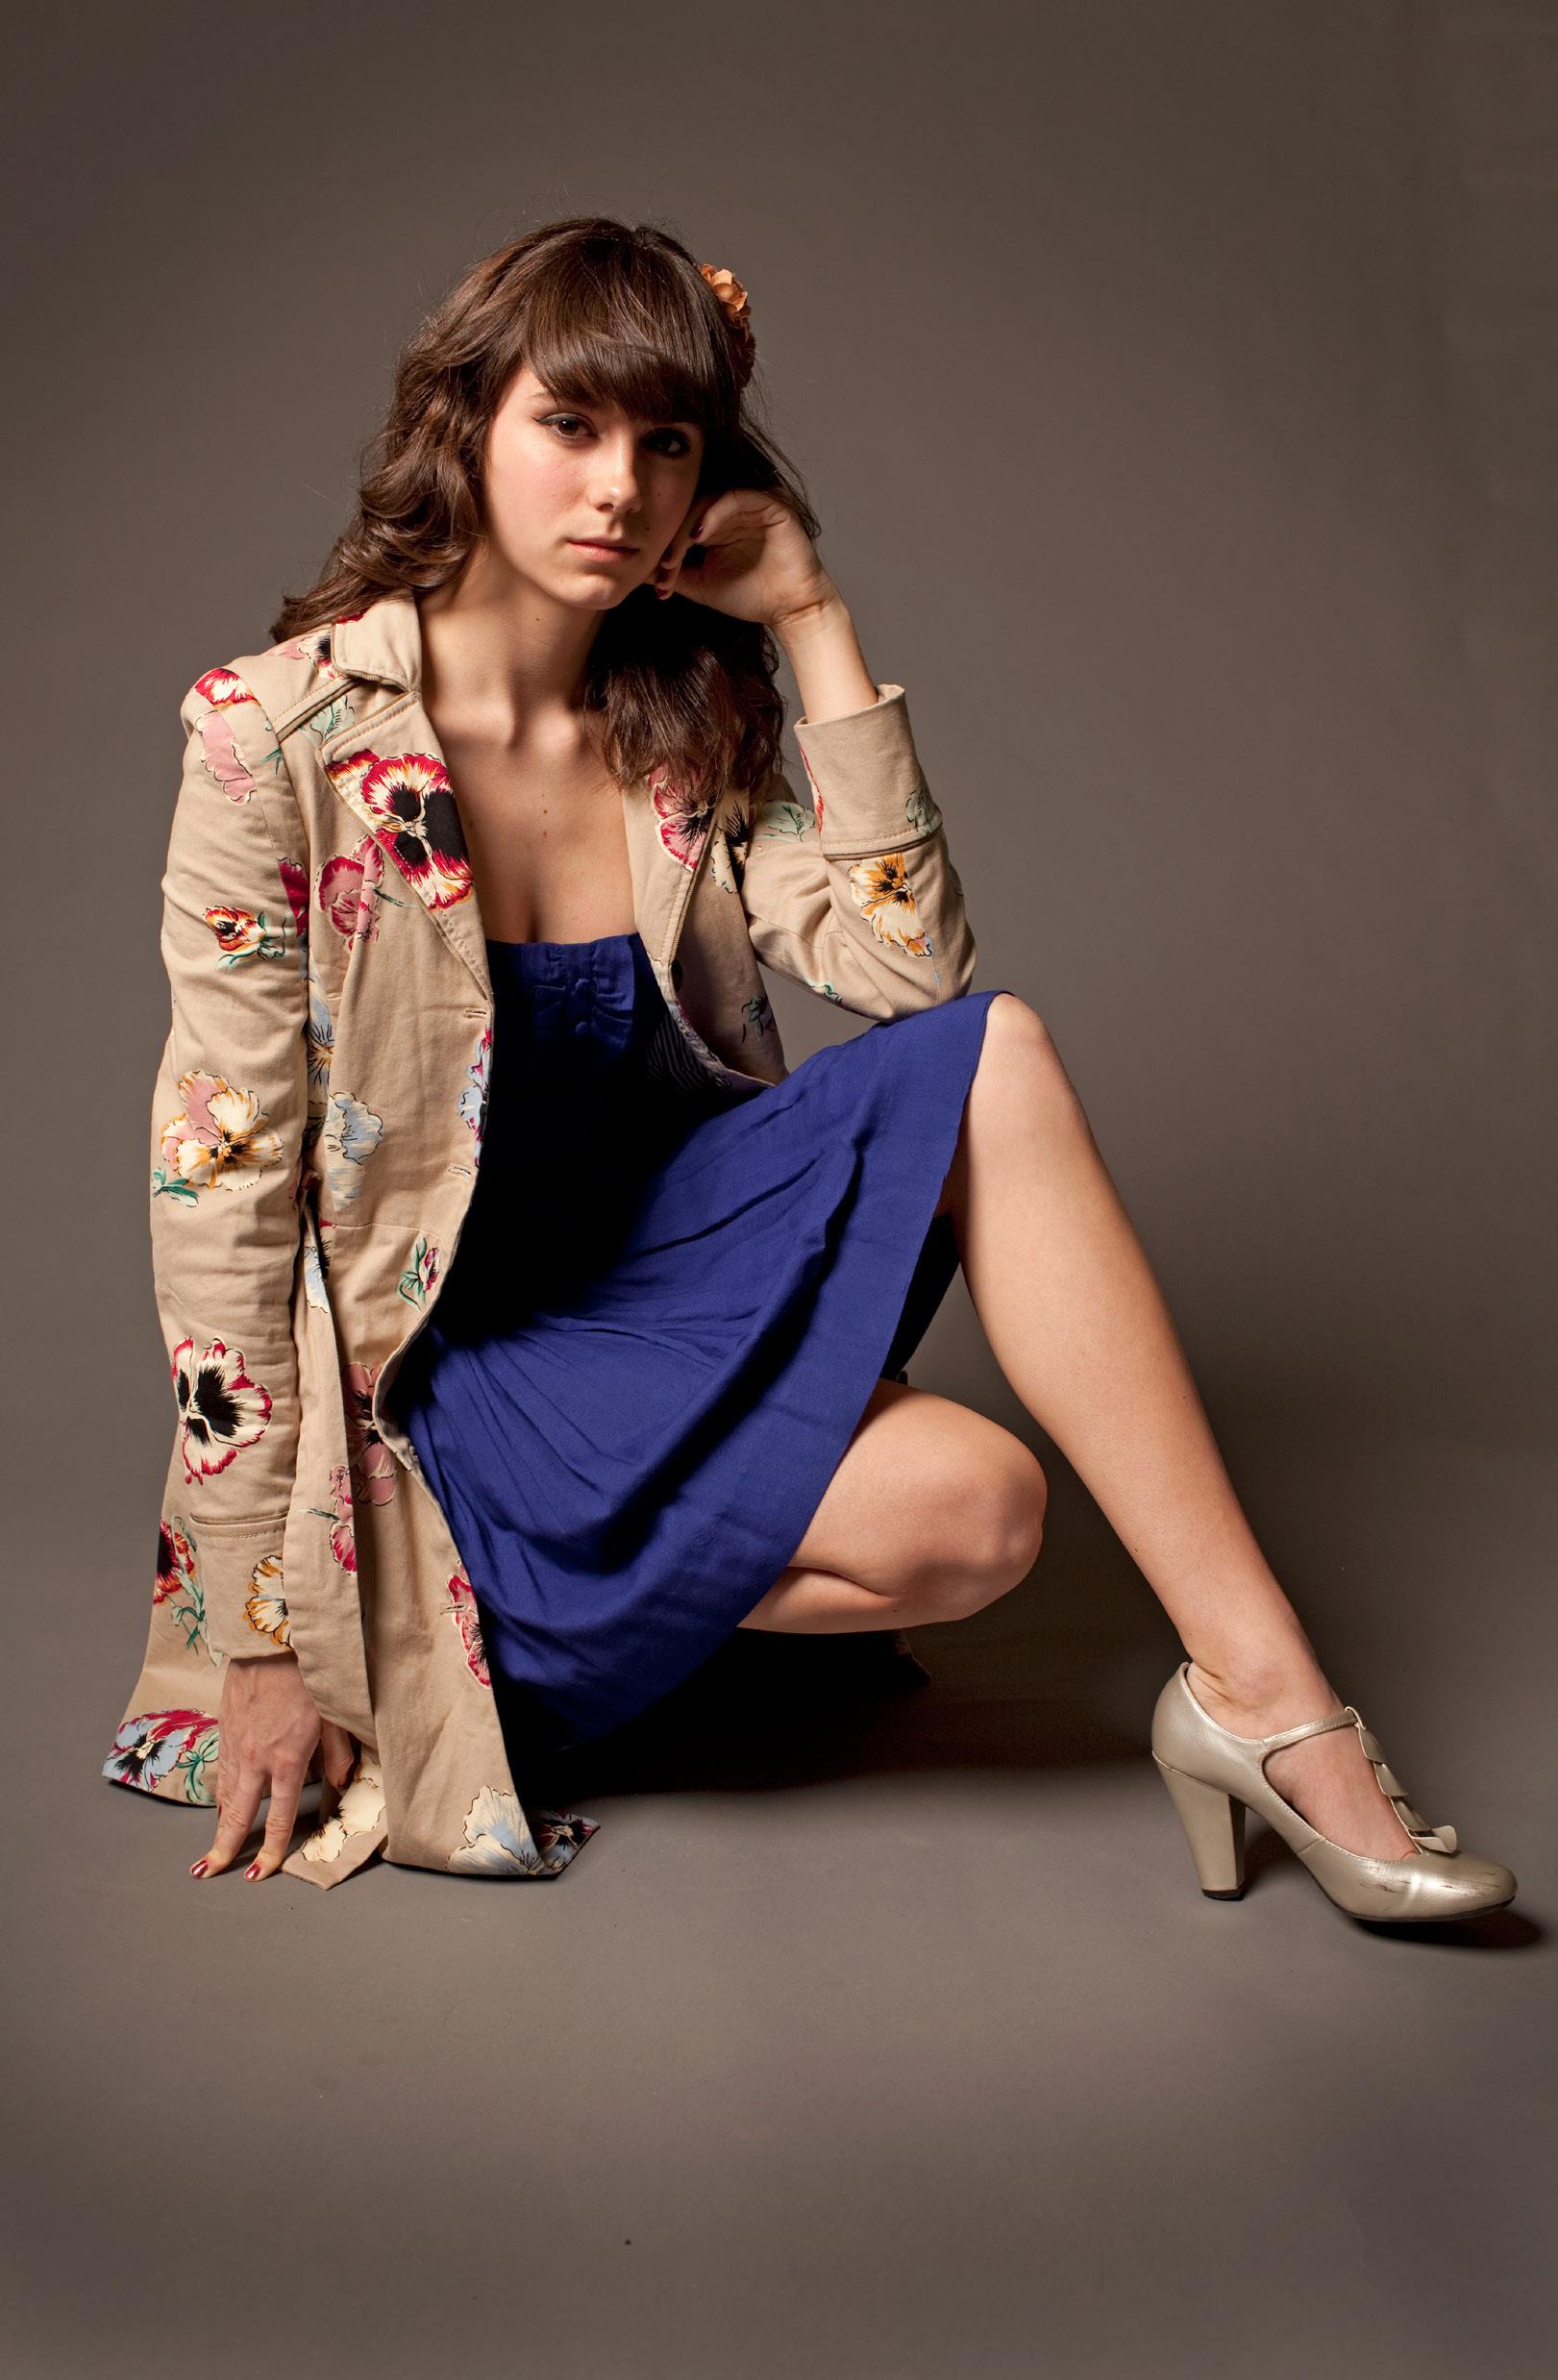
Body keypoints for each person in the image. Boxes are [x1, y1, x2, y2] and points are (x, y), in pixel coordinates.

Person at [112, 214, 1516, 1919]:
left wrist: (809, 611)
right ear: (462, 424)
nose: (617, 489)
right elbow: (221, 1189)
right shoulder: (276, 737)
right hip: (450, 1364)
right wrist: (262, 1625)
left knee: (984, 1448)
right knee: (951, 1491)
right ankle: (490, 1600)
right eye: (569, 424)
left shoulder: (675, 721)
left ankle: (1261, 1700)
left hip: (654, 1281)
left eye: (665, 442)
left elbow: (912, 970)